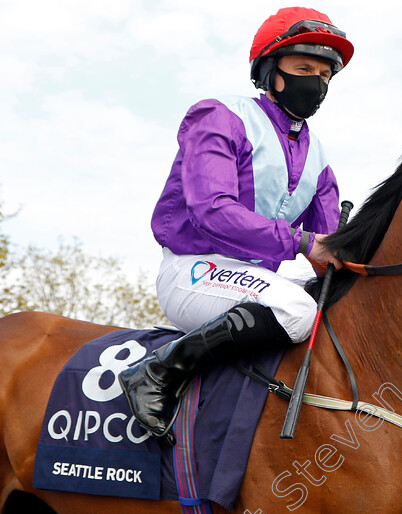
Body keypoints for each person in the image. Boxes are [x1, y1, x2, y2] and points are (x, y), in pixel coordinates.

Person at [118, 6, 354, 441]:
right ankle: (158, 371)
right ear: (269, 69)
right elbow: (212, 210)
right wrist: (304, 243)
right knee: (297, 309)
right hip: (194, 269)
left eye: (325, 75)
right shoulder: (219, 115)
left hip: (259, 276)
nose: (316, 83)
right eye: (304, 67)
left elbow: (327, 247)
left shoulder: (319, 156)